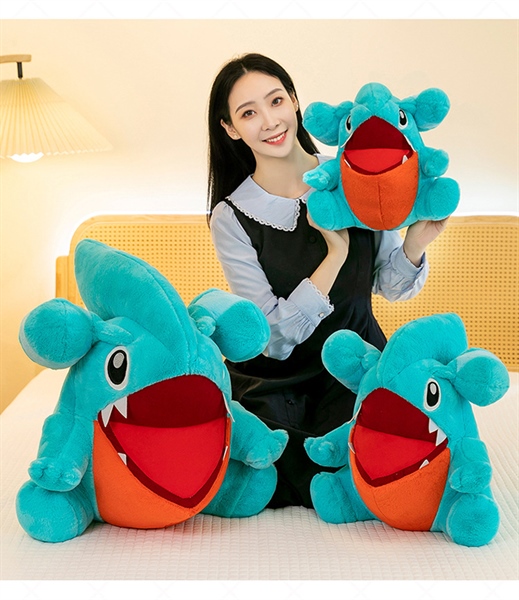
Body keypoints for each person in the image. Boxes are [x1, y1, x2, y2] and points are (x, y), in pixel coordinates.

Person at [207, 53, 448, 509]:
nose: (270, 121)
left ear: (295, 101)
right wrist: (333, 257)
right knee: (260, 452)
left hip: (356, 364)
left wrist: (416, 242)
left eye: (276, 101)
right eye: (248, 113)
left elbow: (390, 287)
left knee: (398, 448)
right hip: (276, 381)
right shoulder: (231, 216)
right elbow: (271, 338)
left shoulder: (355, 174)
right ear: (230, 128)